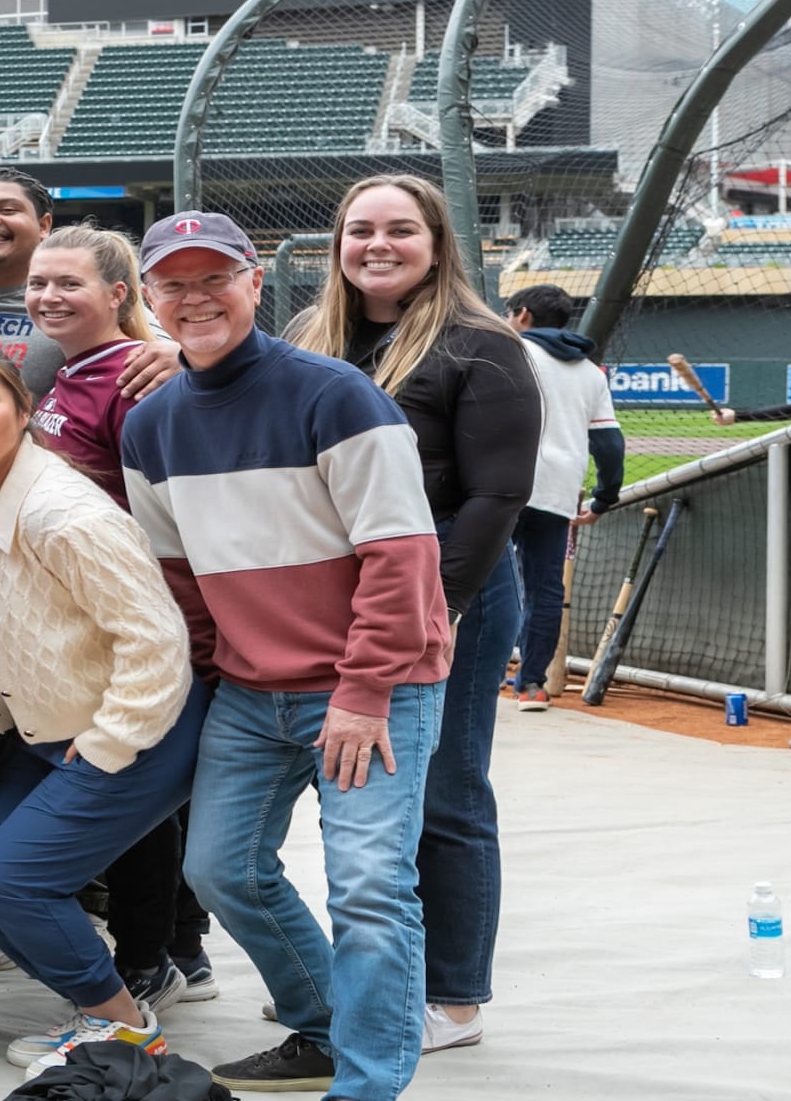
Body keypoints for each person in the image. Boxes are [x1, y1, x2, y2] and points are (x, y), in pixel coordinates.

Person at [121, 209, 451, 1099]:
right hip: (250, 689)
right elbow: (179, 577)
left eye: (214, 279)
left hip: (369, 687)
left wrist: (364, 690)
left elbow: (402, 555)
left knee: (372, 890)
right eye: (175, 284)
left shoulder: (335, 393)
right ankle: (321, 1027)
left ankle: (368, 1084)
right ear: (148, 297)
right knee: (220, 868)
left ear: (255, 283)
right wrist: (207, 670)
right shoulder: (148, 426)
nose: (196, 300)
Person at [287, 176, 540, 1059]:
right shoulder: (310, 340)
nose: (378, 245)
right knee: (366, 795)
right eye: (360, 230)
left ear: (437, 242)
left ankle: (456, 999)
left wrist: (444, 612)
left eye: (401, 230)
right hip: (340, 598)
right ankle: (389, 979)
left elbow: (498, 494)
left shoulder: (479, 346)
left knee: (446, 790)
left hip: (450, 591)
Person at [0, 342, 201, 1081]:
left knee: (9, 880)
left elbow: (155, 638)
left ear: (21, 406)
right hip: (46, 727)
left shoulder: (64, 511)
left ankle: (125, 1027)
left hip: (134, 726)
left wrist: (111, 742)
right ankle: (104, 998)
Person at [25, 223, 216, 1010]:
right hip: (80, 619)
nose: (47, 297)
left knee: (132, 798)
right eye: (39, 284)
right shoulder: (71, 370)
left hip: (138, 618)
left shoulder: (136, 380)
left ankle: (152, 958)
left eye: (68, 283)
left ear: (118, 294)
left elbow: (173, 514)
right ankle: (157, 949)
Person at [0, 168, 177, 400]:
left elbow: (166, 352)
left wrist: (181, 358)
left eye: (8, 210)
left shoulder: (78, 303)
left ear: (44, 225)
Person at [503, 284, 625, 711]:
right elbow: (609, 445)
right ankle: (532, 685)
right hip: (558, 491)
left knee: (479, 580)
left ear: (521, 315)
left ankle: (474, 670)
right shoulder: (591, 373)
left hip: (500, 485)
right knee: (545, 588)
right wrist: (603, 499)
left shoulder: (507, 350)